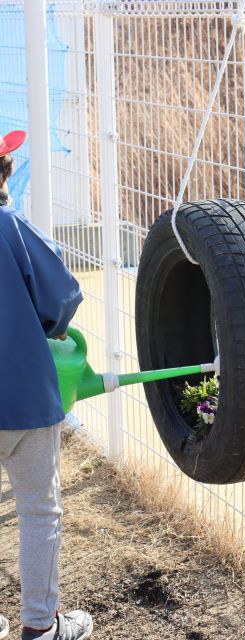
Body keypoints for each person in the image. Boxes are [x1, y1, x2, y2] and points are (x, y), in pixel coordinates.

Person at [0, 130, 92, 640]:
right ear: (4, 174)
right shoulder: (12, 228)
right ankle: (40, 626)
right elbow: (62, 297)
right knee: (39, 510)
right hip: (23, 397)